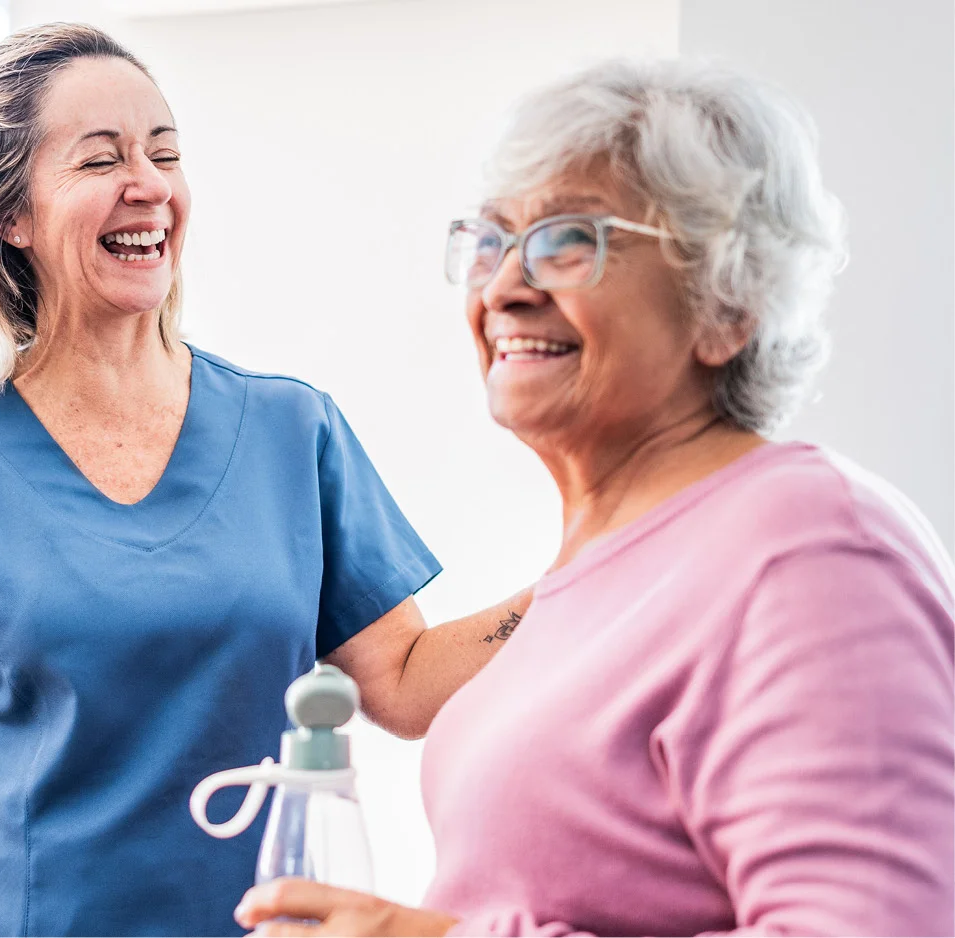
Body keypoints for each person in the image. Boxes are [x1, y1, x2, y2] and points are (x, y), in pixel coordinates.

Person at [0, 22, 530, 938]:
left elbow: (406, 683)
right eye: (100, 159)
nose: (146, 185)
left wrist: (600, 566)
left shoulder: (290, 432)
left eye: (164, 153)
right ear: (9, 215)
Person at [235, 59, 955, 937]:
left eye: (570, 237)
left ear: (727, 303)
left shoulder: (812, 548)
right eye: (492, 240)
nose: (505, 287)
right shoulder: (610, 570)